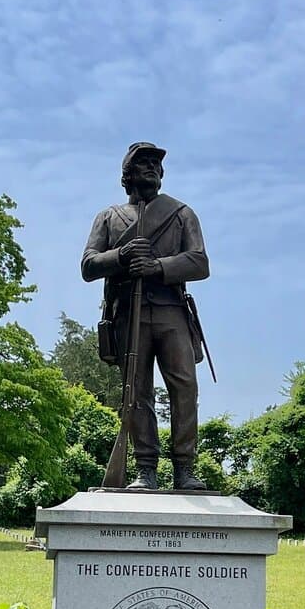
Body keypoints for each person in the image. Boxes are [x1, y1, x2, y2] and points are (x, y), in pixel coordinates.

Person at [81, 142, 210, 491]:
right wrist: (120, 256)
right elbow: (88, 265)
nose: (152, 168)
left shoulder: (182, 213)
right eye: (143, 163)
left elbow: (199, 262)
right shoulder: (108, 217)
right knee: (135, 392)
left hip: (171, 312)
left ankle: (185, 468)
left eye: (156, 163)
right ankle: (146, 469)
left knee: (184, 387)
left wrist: (158, 266)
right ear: (127, 174)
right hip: (129, 315)